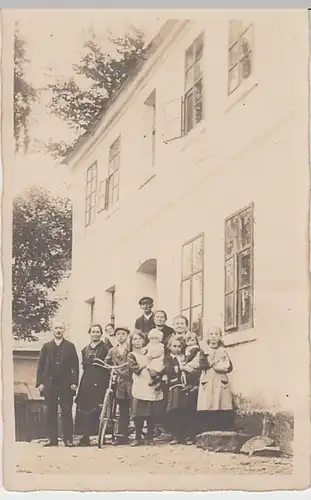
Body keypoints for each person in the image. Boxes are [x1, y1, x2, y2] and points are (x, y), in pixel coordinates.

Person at [36, 322, 79, 447]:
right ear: (52, 330)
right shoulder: (46, 346)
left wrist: (74, 382)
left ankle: (68, 439)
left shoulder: (70, 346)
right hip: (50, 384)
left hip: (66, 384)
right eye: (56, 328)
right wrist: (40, 383)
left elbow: (75, 367)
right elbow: (40, 366)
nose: (58, 330)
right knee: (50, 412)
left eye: (60, 328)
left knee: (66, 411)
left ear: (64, 330)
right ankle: (52, 439)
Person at [75, 324, 110, 446]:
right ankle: (85, 436)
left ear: (101, 334)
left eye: (97, 332)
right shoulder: (85, 349)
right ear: (90, 333)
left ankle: (101, 435)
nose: (95, 334)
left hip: (100, 380)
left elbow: (108, 366)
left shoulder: (106, 348)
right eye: (93, 332)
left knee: (99, 407)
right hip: (87, 380)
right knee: (84, 407)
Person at [128, 330, 164, 446]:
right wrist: (147, 361)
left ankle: (150, 437)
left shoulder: (151, 350)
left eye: (139, 339)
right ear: (131, 341)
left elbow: (160, 361)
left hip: (151, 383)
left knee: (151, 412)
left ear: (144, 340)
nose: (137, 341)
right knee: (138, 413)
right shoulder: (131, 355)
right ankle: (137, 437)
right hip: (140, 383)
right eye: (135, 339)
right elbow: (136, 369)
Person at [197, 326, 234, 433]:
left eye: (216, 334)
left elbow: (230, 367)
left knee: (222, 401)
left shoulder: (223, 350)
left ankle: (222, 428)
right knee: (207, 401)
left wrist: (224, 366)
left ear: (220, 336)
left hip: (221, 378)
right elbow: (202, 365)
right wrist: (214, 362)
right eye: (211, 334)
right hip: (208, 378)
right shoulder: (204, 350)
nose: (213, 337)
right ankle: (207, 429)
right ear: (208, 337)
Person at [164, 336, 197, 445]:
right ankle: (176, 435)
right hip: (175, 385)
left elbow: (192, 369)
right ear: (169, 347)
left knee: (186, 409)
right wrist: (180, 368)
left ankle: (187, 435)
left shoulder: (185, 357)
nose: (177, 349)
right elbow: (168, 369)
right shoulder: (168, 358)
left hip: (186, 385)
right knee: (175, 410)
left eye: (179, 346)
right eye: (174, 346)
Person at [104, 327, 131, 445]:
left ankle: (130, 433)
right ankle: (119, 434)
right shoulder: (112, 350)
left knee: (130, 407)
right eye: (118, 334)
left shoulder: (131, 349)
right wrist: (111, 370)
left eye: (123, 334)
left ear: (127, 336)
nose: (120, 336)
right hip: (119, 382)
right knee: (119, 407)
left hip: (130, 381)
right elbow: (107, 362)